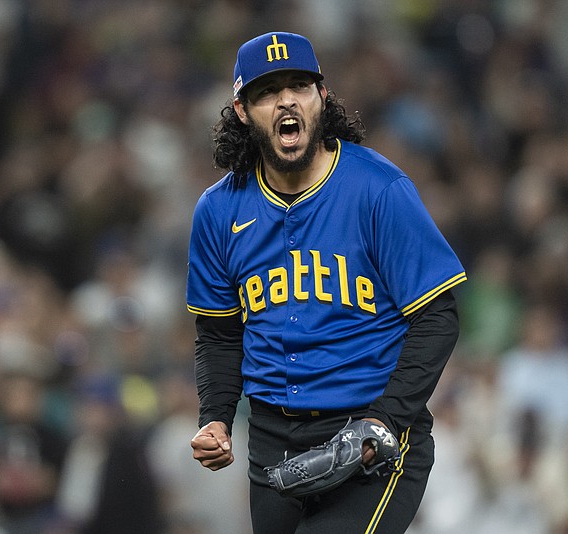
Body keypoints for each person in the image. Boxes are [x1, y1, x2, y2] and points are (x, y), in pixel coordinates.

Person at [186, 31, 466, 534]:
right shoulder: (219, 210)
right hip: (272, 442)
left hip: (369, 437)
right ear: (243, 110)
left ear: (322, 97)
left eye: (300, 85)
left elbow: (437, 317)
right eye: (268, 91)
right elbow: (220, 334)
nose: (287, 100)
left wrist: (385, 418)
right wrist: (216, 418)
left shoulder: (379, 190)